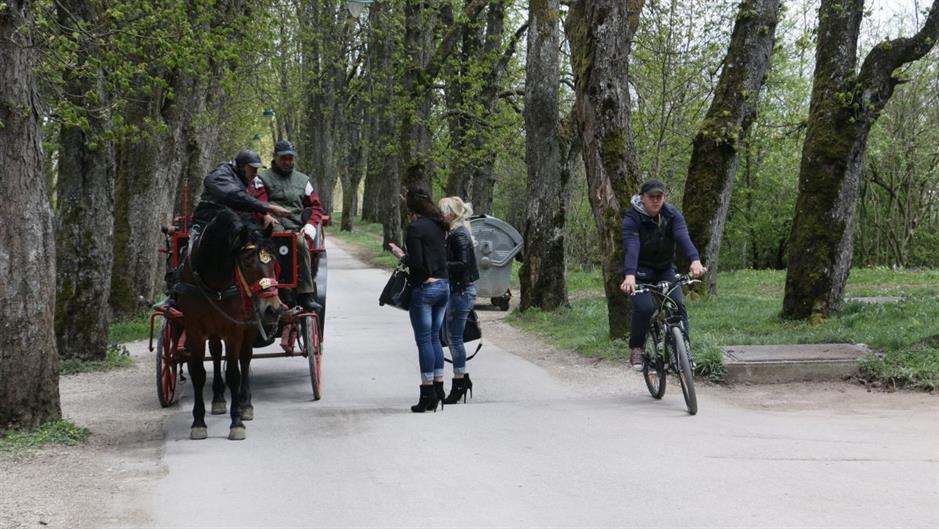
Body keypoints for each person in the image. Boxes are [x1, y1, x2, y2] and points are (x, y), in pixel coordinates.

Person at [158, 150, 289, 308]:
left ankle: (266, 290)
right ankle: (174, 294)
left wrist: (264, 215)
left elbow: (246, 202)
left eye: (257, 169)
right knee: (188, 251)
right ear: (241, 166)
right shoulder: (221, 175)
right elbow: (233, 196)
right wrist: (268, 207)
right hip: (208, 222)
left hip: (235, 223)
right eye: (252, 169)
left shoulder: (247, 181)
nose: (255, 173)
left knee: (258, 248)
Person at [619, 179, 706, 370]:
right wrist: (630, 275)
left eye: (660, 197)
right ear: (642, 198)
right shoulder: (632, 218)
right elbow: (632, 246)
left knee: (678, 304)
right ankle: (636, 349)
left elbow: (683, 236)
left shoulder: (671, 214)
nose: (656, 201)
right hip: (639, 271)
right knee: (645, 308)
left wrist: (695, 259)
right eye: (652, 197)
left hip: (664, 269)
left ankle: (683, 350)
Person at [388, 187, 450, 413]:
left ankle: (426, 393)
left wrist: (400, 256)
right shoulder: (439, 225)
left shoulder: (415, 228)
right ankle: (438, 387)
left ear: (411, 207)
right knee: (434, 338)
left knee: (424, 340)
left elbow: (417, 263)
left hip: (425, 288)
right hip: (444, 286)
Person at [251, 140, 326, 312]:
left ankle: (305, 294)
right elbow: (257, 204)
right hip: (272, 226)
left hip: (296, 227)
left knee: (298, 243)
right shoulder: (261, 179)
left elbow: (316, 207)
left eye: (290, 158)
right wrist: (266, 216)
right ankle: (269, 287)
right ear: (274, 157)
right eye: (284, 158)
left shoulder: (304, 180)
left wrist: (310, 226)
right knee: (279, 240)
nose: (287, 162)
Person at [438, 196, 479, 404]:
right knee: (449, 335)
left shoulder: (459, 235)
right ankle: (462, 378)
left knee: (454, 338)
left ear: (451, 213)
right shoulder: (455, 233)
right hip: (458, 290)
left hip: (461, 291)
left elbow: (463, 263)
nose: (440, 215)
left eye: (442, 211)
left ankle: (459, 382)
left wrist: (440, 265)